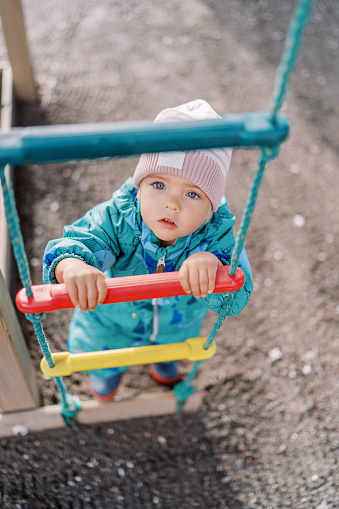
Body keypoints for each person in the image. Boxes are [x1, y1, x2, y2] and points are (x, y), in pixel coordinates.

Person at [43, 99, 253, 401]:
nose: (171, 203)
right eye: (158, 185)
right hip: (111, 321)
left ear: (211, 208)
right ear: (139, 187)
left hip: (175, 328)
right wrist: (73, 266)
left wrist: (212, 264)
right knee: (105, 362)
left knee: (169, 353)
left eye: (192, 193)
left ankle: (163, 366)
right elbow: (79, 242)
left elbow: (235, 298)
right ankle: (106, 378)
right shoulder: (118, 218)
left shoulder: (216, 236)